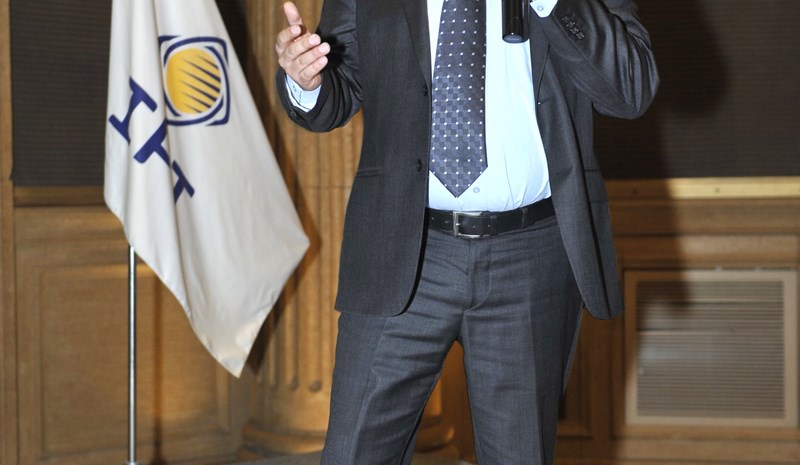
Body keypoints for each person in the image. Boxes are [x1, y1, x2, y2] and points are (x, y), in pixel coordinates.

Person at [274, 0, 658, 463]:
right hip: (404, 249)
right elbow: (341, 81)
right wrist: (307, 82)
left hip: (530, 259)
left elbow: (630, 90)